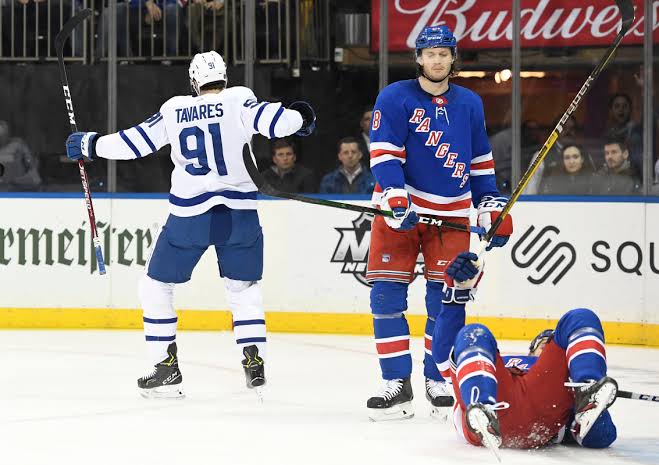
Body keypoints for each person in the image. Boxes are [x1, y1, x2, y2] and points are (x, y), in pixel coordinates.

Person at [64, 51, 316, 398]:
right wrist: (301, 117)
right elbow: (283, 125)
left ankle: (165, 366)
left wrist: (91, 143)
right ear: (224, 78)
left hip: (189, 218)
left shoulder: (174, 108)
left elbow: (134, 143)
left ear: (193, 82)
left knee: (155, 287)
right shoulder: (239, 98)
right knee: (243, 289)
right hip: (239, 216)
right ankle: (253, 360)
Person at [364, 25, 513, 422]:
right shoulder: (394, 97)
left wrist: (489, 208)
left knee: (447, 299)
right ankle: (396, 382)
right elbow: (383, 153)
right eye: (429, 54)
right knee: (385, 297)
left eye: (443, 54)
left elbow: (480, 163)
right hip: (400, 212)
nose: (436, 61)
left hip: (450, 215)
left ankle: (437, 377)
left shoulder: (469, 103)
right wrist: (396, 196)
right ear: (418, 58)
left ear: (452, 58)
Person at [443, 252, 617, 451]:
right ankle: (483, 410)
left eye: (552, 343)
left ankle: (588, 389)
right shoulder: (497, 362)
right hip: (494, 403)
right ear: (531, 349)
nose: (548, 345)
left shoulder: (562, 379)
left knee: (580, 317)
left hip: (544, 410)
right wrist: (455, 299)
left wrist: (596, 410)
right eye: (544, 341)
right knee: (474, 334)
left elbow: (603, 437)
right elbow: (444, 355)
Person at [0, 120, 41, 191]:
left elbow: (31, 164)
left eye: (2, 135)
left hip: (17, 186)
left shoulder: (18, 145)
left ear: (7, 134)